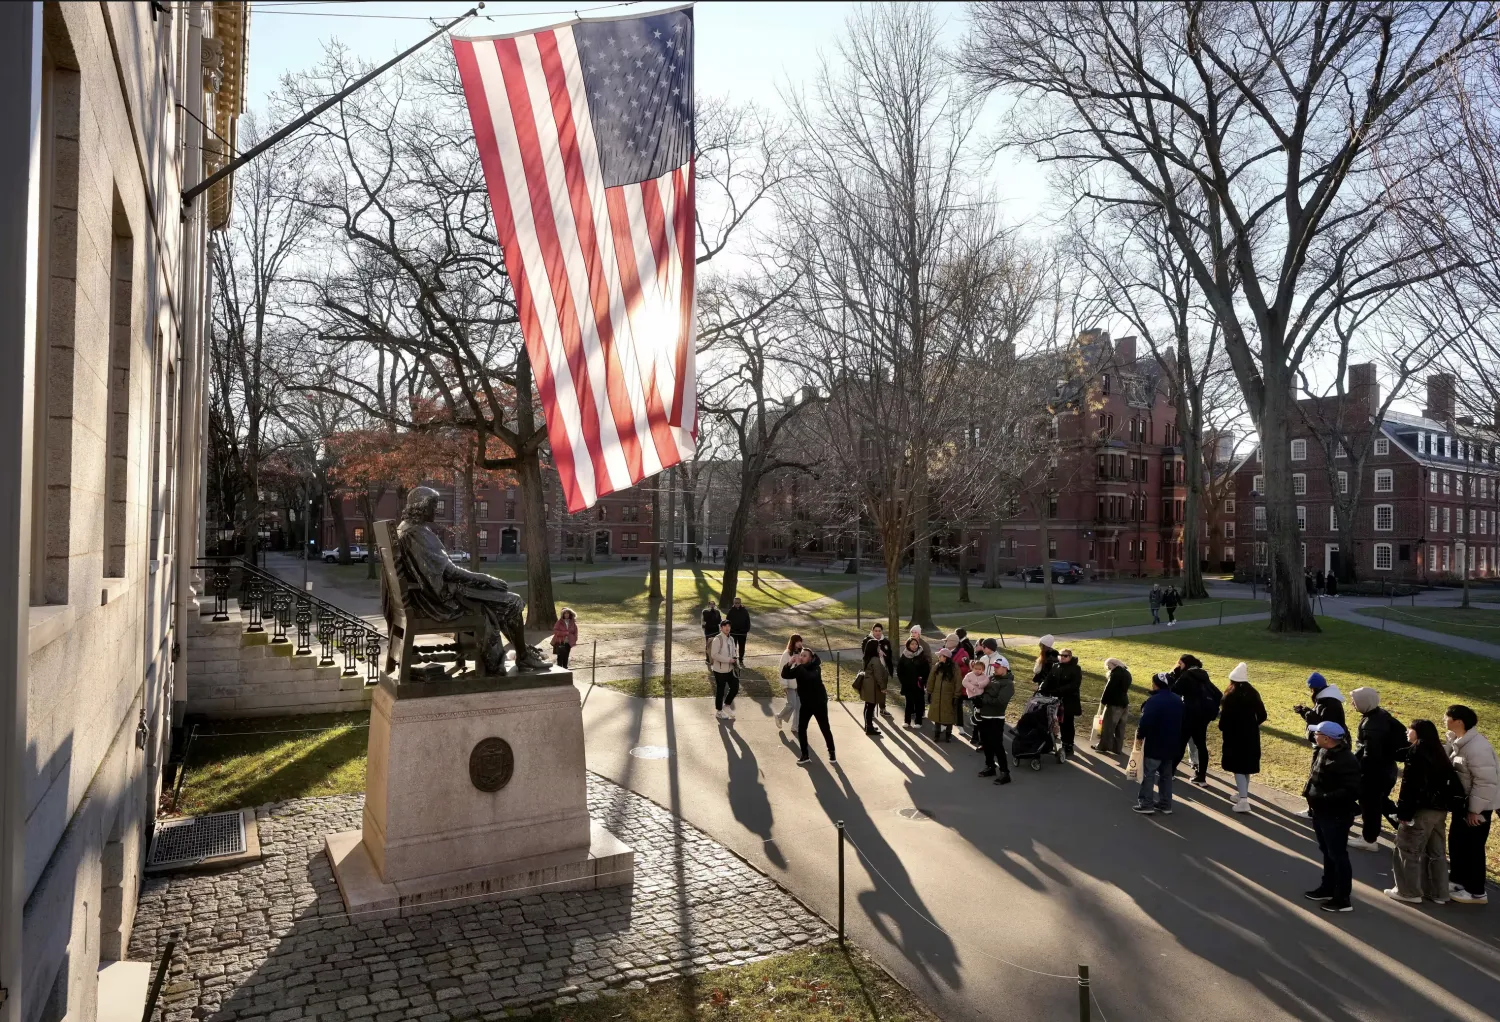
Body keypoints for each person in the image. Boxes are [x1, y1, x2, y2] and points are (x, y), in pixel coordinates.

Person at [391, 486, 551, 672]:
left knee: (502, 602)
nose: (436, 510)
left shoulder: (406, 528)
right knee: (513, 601)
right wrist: (486, 579)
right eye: (433, 505)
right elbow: (449, 572)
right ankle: (522, 657)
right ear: (421, 506)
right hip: (439, 601)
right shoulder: (417, 533)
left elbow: (441, 570)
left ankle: (523, 653)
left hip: (427, 596)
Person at [1386, 719, 1462, 905]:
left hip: (1421, 810)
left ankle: (1408, 892)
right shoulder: (1438, 751)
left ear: (1418, 733)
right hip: (1439, 810)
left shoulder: (1417, 753)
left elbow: (1411, 786)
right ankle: (1439, 893)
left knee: (1407, 849)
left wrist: (1404, 813)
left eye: (1410, 729)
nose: (1407, 732)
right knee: (1436, 852)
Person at [1303, 721, 1362, 912]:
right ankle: (1327, 887)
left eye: (1317, 733)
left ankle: (1342, 898)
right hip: (1321, 812)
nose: (1314, 736)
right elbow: (1315, 776)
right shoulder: (1323, 751)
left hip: (1336, 815)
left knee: (1337, 855)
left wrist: (1323, 798)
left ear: (1327, 738)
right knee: (1327, 852)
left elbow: (1351, 790)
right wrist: (1309, 793)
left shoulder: (1346, 760)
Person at [1445, 704, 1499, 905]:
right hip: (1465, 804)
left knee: (1472, 848)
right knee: (1458, 842)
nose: (1444, 720)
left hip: (1478, 807)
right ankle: (1458, 881)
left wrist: (1475, 811)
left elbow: (1485, 782)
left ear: (1458, 721)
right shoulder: (1460, 741)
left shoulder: (1477, 748)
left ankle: (1476, 892)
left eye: (1447, 717)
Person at [1349, 687, 1409, 851]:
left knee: (1370, 805)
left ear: (1364, 702)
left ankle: (1369, 840)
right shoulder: (1382, 716)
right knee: (1381, 802)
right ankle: (1406, 832)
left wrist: (1359, 771)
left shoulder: (1372, 724)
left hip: (1374, 773)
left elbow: (1370, 754)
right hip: (1387, 770)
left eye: (1355, 701)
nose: (1352, 704)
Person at [1133, 672, 1185, 815]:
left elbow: (1145, 722)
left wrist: (1140, 735)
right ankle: (1165, 804)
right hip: (1172, 743)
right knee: (1166, 775)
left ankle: (1146, 803)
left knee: (1149, 774)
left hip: (1155, 743)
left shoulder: (1154, 701)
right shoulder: (1177, 700)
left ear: (1157, 684)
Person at [1218, 662, 1267, 813]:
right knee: (1246, 766)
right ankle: (1242, 793)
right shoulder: (1253, 692)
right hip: (1251, 735)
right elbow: (1263, 715)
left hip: (1234, 736)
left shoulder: (1230, 696)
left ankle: (1244, 800)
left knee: (1237, 766)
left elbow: (1224, 721)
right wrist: (1253, 725)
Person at [1170, 654, 1220, 785]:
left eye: (1180, 664)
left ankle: (1170, 772)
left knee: (1180, 743)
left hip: (1189, 714)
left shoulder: (1186, 676)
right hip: (1203, 717)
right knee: (1201, 746)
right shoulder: (1203, 676)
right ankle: (1201, 777)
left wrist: (1175, 677)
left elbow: (1174, 691)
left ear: (1186, 664)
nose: (1178, 666)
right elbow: (1218, 694)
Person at [783, 648, 834, 766]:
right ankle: (805, 755)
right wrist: (790, 663)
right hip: (806, 704)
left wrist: (798, 666)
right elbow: (785, 674)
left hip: (819, 704)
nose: (801, 657)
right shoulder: (799, 668)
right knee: (801, 729)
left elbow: (809, 677)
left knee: (824, 727)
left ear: (810, 658)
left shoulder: (816, 667)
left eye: (804, 655)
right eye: (801, 655)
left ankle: (832, 752)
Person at [975, 657, 1015, 784]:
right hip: (985, 716)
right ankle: (990, 766)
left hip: (996, 718)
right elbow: (983, 691)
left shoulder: (1008, 684)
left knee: (997, 745)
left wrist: (983, 700)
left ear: (1005, 668)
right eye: (994, 667)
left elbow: (1000, 701)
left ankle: (1005, 773)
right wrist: (978, 698)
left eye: (997, 667)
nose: (995, 669)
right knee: (986, 743)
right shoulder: (991, 678)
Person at [1040, 646, 1083, 757]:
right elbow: (1048, 679)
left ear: (1070, 656)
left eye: (1065, 656)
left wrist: (1058, 691)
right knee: (1051, 721)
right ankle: (1049, 742)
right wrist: (1042, 687)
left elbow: (1074, 685)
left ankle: (1068, 745)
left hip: (1068, 701)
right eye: (1060, 655)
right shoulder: (1056, 666)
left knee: (1067, 724)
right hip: (1054, 699)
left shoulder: (1075, 668)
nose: (1062, 657)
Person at [1094, 657, 1132, 755]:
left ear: (1112, 664)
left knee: (1108, 726)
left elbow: (1109, 688)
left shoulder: (1115, 674)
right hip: (1125, 703)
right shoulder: (1127, 673)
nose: (1108, 668)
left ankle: (1103, 746)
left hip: (1114, 703)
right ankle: (1117, 748)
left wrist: (1103, 700)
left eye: (1108, 666)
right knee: (1120, 727)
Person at [1295, 672, 1346, 740]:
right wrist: (1303, 711)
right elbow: (1319, 717)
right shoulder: (1325, 699)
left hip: (1329, 743)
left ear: (1314, 689)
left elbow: (1324, 726)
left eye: (1311, 689)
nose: (1311, 692)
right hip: (1326, 742)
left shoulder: (1328, 703)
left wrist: (1307, 713)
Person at [927, 647, 961, 743]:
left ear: (945, 657)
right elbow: (931, 679)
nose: (938, 657)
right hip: (937, 695)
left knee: (948, 715)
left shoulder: (954, 668)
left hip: (949, 696)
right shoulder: (937, 666)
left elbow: (958, 682)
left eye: (940, 656)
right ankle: (937, 733)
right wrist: (929, 692)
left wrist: (956, 695)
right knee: (937, 714)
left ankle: (948, 734)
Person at [708, 620, 740, 721]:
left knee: (735, 687)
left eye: (729, 626)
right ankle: (719, 711)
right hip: (719, 670)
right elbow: (714, 655)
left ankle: (727, 705)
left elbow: (734, 651)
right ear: (721, 628)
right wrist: (728, 660)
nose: (727, 628)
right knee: (720, 691)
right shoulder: (718, 639)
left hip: (730, 669)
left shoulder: (731, 638)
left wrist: (734, 659)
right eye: (725, 626)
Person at [863, 623, 895, 722]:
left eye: (879, 631)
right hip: (873, 671)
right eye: (875, 631)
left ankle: (882, 708)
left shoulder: (885, 641)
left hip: (883, 668)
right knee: (871, 691)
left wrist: (883, 655)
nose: (877, 633)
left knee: (883, 689)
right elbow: (866, 654)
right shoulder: (867, 640)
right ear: (873, 631)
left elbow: (889, 655)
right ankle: (870, 711)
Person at [897, 636, 931, 729]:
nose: (914, 646)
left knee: (919, 703)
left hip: (918, 684)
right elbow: (900, 670)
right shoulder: (904, 655)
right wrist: (903, 681)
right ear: (908, 645)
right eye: (912, 644)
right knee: (909, 703)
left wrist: (923, 680)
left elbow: (926, 669)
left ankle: (918, 721)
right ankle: (907, 721)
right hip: (908, 684)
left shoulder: (921, 655)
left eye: (916, 644)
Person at [859, 645, 890, 738]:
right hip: (872, 686)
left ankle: (868, 726)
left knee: (867, 706)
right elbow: (878, 675)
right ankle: (869, 728)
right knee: (871, 706)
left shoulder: (867, 658)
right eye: (878, 648)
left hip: (867, 684)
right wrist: (883, 687)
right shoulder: (875, 660)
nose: (879, 649)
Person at [776, 635, 804, 730]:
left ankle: (795, 726)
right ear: (793, 642)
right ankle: (779, 716)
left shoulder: (802, 653)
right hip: (790, 685)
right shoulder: (786, 654)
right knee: (791, 704)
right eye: (797, 641)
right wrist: (784, 685)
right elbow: (782, 670)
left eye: (801, 641)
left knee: (799, 707)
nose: (800, 643)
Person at [726, 597, 751, 666]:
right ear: (733, 603)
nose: (737, 604)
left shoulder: (744, 611)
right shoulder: (731, 611)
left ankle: (741, 659)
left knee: (742, 646)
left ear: (740, 603)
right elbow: (727, 621)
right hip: (733, 632)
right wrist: (728, 630)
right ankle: (734, 660)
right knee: (733, 647)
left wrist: (746, 629)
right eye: (735, 603)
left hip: (742, 633)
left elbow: (748, 621)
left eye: (738, 603)